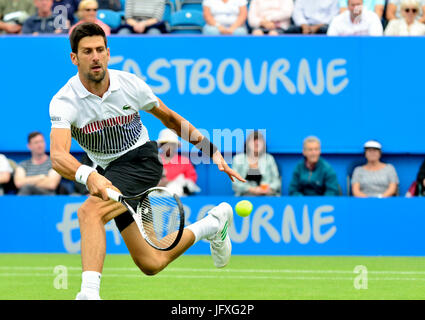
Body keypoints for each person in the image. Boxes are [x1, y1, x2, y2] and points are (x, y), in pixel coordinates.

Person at [49, 22, 245, 300]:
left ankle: (89, 294)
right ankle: (212, 224)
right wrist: (88, 175)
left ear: (108, 53)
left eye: (100, 50)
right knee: (151, 262)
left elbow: (171, 119)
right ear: (74, 58)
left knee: (88, 213)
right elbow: (57, 155)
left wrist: (211, 150)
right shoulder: (64, 101)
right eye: (87, 51)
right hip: (107, 171)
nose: (95, 56)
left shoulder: (130, 85)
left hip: (141, 162)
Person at [231, 131, 281, 196]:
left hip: (267, 197)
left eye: (259, 141)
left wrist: (267, 188)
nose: (256, 143)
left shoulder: (269, 159)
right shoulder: (238, 159)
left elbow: (277, 182)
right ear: (247, 144)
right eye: (253, 141)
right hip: (244, 197)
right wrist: (252, 189)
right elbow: (235, 184)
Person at [157, 128, 200, 197]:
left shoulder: (184, 161)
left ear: (176, 146)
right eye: (165, 144)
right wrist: (159, 184)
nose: (169, 147)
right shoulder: (153, 161)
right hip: (156, 197)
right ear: (161, 146)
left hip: (179, 198)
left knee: (174, 188)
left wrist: (172, 183)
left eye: (172, 144)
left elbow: (191, 181)